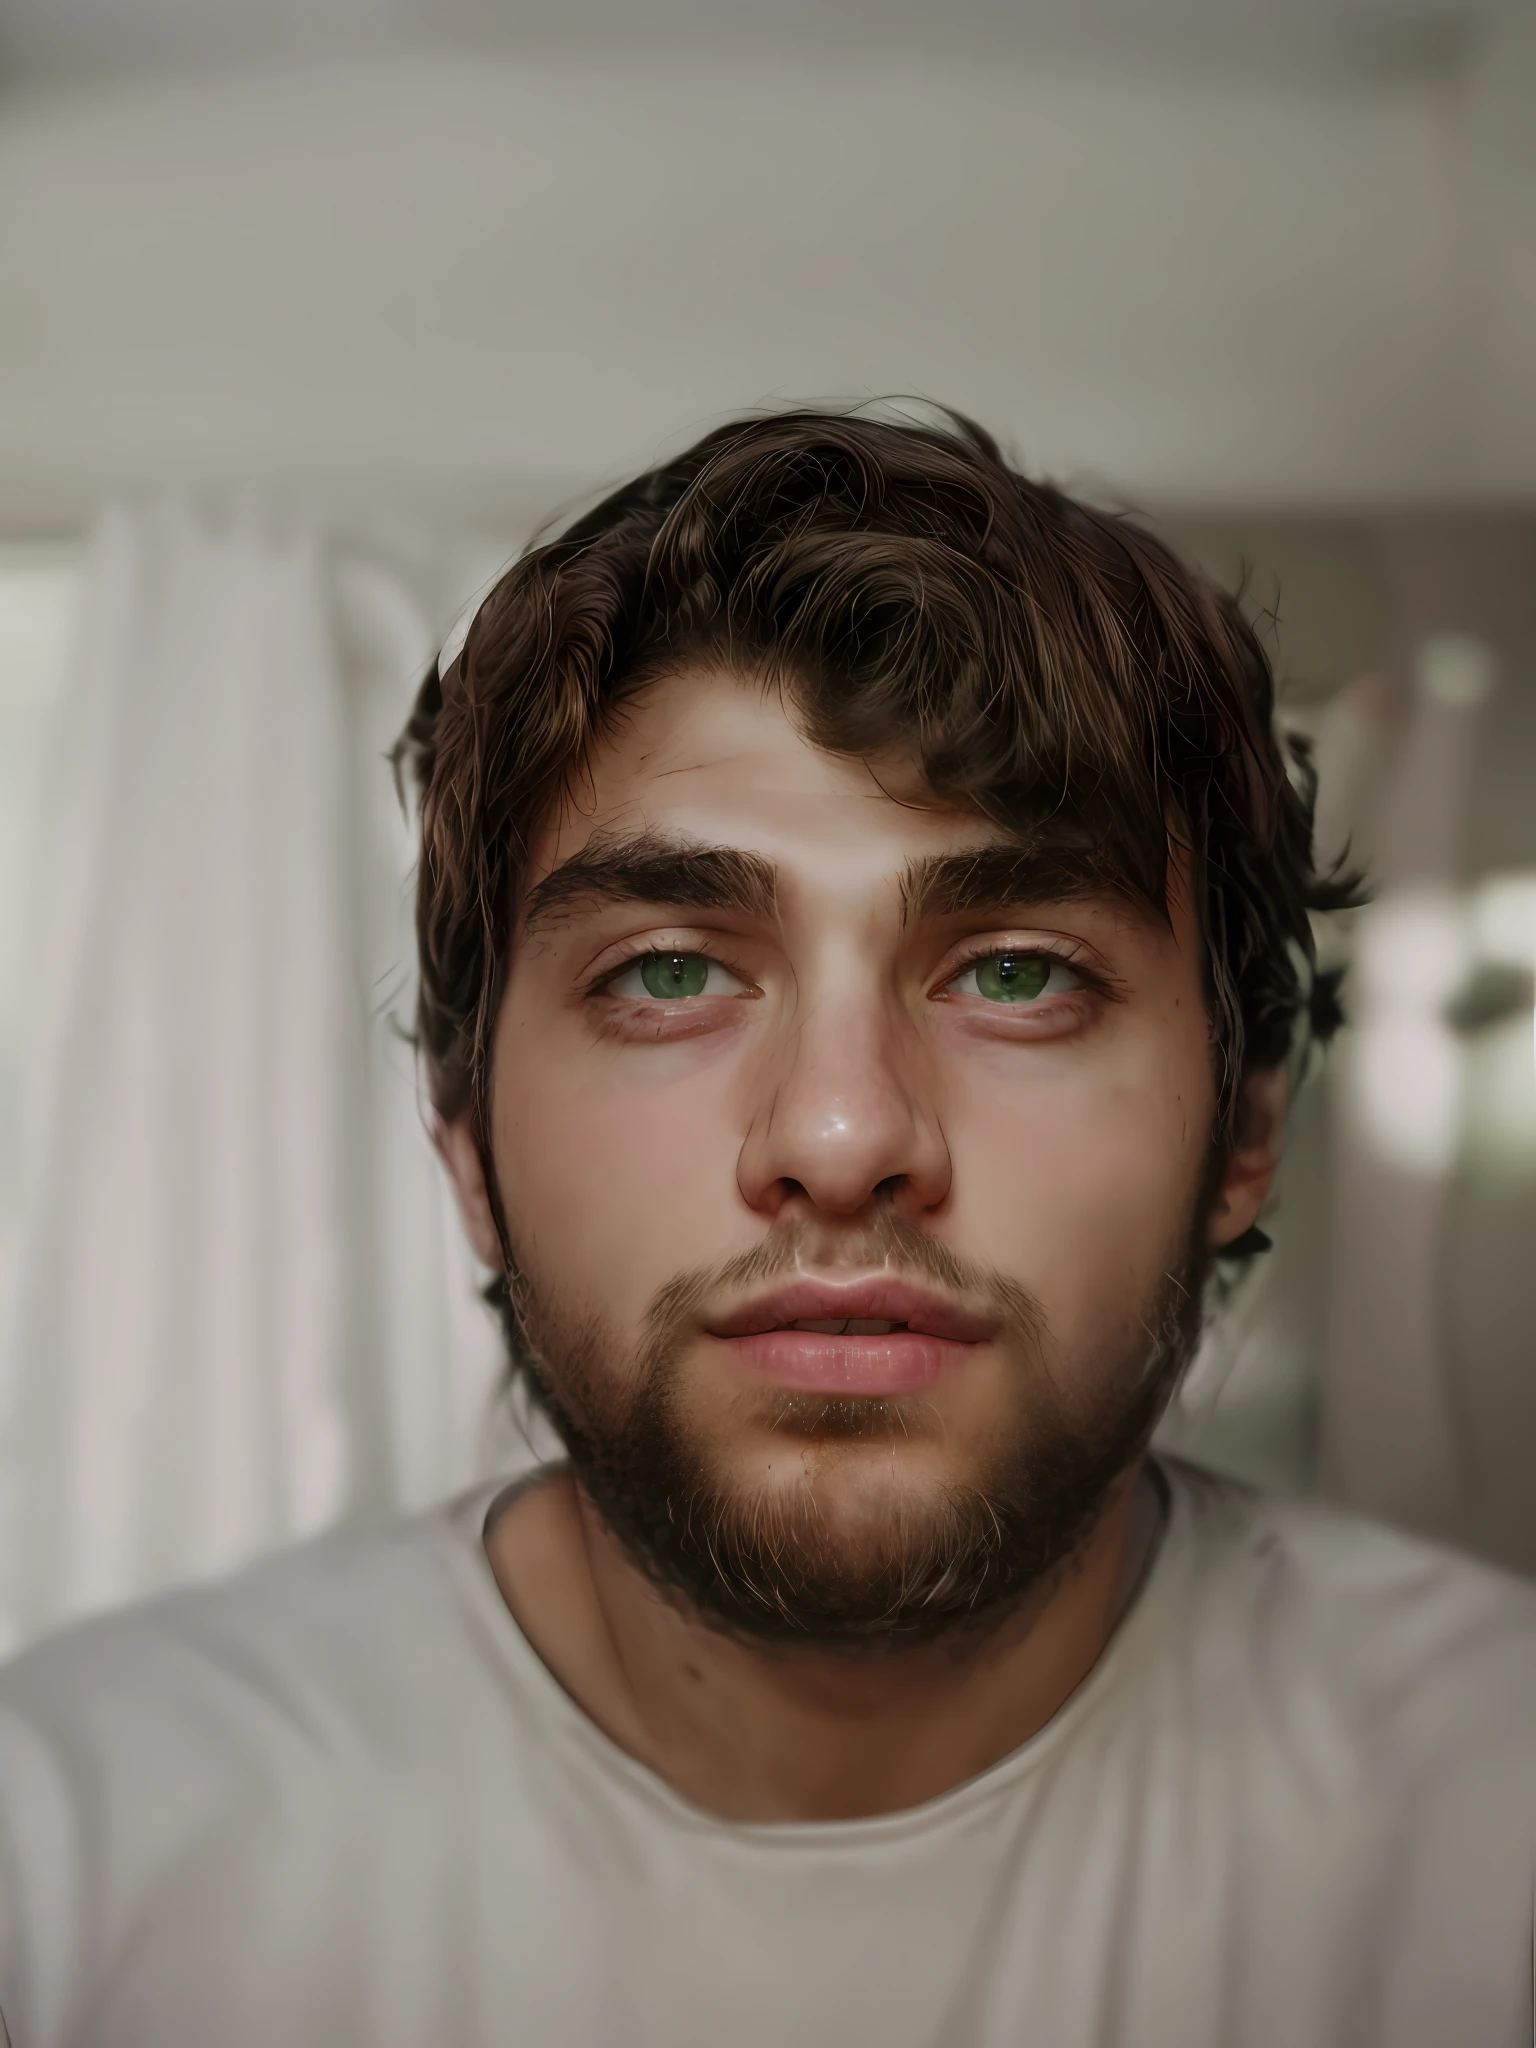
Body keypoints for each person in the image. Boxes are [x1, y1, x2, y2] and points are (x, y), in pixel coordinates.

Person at [0, 409, 1532, 2048]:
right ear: (465, 1145)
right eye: (669, 971)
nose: (842, 1135)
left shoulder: (1492, 1825)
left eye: (1016, 972)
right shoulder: (68, 1868)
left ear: (1247, 1130)